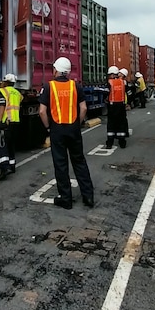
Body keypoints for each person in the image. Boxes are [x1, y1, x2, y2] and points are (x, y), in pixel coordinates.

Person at [39, 57, 94, 210]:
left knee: (61, 164)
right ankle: (88, 196)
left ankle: (66, 199)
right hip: (73, 129)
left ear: (56, 70)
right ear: (68, 72)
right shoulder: (75, 86)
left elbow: (42, 111)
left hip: (57, 129)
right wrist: (78, 123)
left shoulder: (48, 87)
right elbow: (83, 109)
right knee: (79, 161)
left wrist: (48, 127)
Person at [0, 73, 23, 181]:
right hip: (16, 122)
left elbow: (1, 106)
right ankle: (12, 165)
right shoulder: (17, 93)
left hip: (6, 121)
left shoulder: (3, 92)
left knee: (2, 145)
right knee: (11, 144)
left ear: (6, 81)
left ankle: (4, 168)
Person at [105, 65, 128, 149]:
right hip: (121, 106)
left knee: (111, 124)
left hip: (112, 106)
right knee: (121, 124)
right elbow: (127, 91)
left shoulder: (109, 83)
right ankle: (122, 143)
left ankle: (109, 143)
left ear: (111, 74)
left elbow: (106, 93)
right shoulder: (123, 82)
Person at [118, 68, 130, 137]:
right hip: (122, 101)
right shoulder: (123, 81)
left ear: (123, 75)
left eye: (120, 73)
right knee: (123, 118)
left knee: (122, 118)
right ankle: (125, 131)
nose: (118, 74)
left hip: (122, 101)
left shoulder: (123, 82)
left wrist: (127, 103)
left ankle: (125, 131)